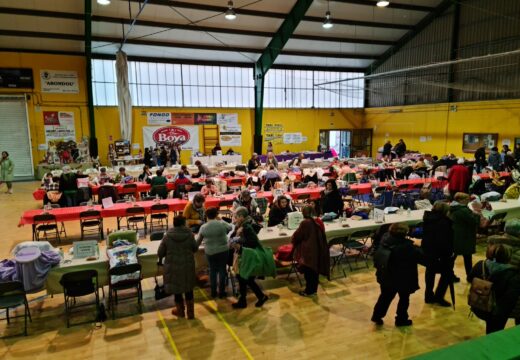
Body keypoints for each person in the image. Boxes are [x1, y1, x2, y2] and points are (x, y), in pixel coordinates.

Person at [371, 223, 422, 327]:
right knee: (404, 298)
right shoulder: (407, 247)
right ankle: (401, 319)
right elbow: (421, 258)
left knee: (385, 297)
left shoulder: (384, 239)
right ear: (405, 233)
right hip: (403, 277)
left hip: (385, 274)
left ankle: (377, 316)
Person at [468, 244, 520, 334]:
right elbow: (510, 299)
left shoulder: (481, 265)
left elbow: (469, 278)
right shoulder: (512, 275)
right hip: (496, 313)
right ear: (508, 257)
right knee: (494, 332)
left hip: (479, 307)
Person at [158, 216, 198, 319]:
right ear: (184, 223)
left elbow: (160, 252)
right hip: (187, 265)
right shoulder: (190, 235)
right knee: (188, 289)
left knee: (177, 289)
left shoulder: (167, 236)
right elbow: (195, 248)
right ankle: (191, 313)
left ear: (174, 223)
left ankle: (180, 312)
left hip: (173, 267)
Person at [231, 206, 269, 309]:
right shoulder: (243, 225)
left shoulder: (247, 226)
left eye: (236, 216)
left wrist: (238, 242)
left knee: (245, 278)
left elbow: (253, 242)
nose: (234, 218)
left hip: (246, 255)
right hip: (244, 255)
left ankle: (250, 299)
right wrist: (236, 238)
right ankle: (249, 299)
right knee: (243, 278)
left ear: (242, 217)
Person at [291, 206, 330, 296]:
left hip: (309, 250)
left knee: (309, 272)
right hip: (317, 249)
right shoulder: (318, 221)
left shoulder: (306, 223)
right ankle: (313, 290)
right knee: (314, 271)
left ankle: (309, 291)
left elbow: (297, 236)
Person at [422, 201, 454, 307]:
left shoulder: (428, 218)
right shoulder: (444, 222)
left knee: (430, 273)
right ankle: (439, 297)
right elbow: (444, 240)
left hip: (428, 250)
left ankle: (428, 295)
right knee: (447, 274)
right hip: (441, 252)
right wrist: (449, 253)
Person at [197, 207, 232, 298]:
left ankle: (213, 292)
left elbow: (198, 242)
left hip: (210, 252)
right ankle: (221, 292)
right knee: (222, 270)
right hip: (223, 250)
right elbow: (230, 227)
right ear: (216, 215)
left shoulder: (203, 227)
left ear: (206, 216)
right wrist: (221, 219)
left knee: (212, 271)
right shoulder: (221, 224)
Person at [450, 192, 480, 281]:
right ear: (460, 200)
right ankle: (470, 277)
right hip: (464, 236)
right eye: (466, 199)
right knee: (467, 258)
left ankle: (449, 275)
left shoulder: (452, 208)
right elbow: (474, 222)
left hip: (455, 235)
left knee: (452, 258)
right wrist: (477, 215)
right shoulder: (463, 210)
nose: (468, 201)